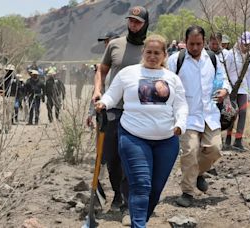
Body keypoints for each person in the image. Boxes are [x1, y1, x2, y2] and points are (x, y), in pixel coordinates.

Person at [95, 34, 188, 228]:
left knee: (154, 190)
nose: (152, 56)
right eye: (149, 52)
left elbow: (181, 106)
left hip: (167, 140)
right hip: (134, 137)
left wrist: (180, 123)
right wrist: (103, 102)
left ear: (164, 55)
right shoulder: (128, 73)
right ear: (143, 52)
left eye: (157, 53)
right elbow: (112, 95)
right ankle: (139, 225)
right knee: (141, 185)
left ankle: (139, 219)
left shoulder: (172, 78)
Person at [92, 6, 149, 215]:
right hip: (113, 109)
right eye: (131, 21)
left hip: (139, 111)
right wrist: (98, 90)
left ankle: (127, 201)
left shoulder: (149, 48)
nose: (133, 25)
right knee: (112, 156)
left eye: (138, 22)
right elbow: (102, 70)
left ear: (145, 24)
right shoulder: (115, 45)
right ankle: (117, 192)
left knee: (131, 156)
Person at [168, 25, 231, 207]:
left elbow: (224, 79)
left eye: (198, 44)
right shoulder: (176, 60)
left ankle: (198, 173)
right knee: (190, 151)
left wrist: (224, 90)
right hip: (186, 115)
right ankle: (187, 192)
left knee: (215, 149)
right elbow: (168, 84)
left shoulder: (212, 59)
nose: (195, 48)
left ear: (204, 43)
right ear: (185, 42)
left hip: (210, 113)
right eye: (191, 44)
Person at [223, 31, 250, 152]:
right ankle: (228, 137)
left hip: (243, 89)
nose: (246, 47)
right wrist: (227, 88)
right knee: (232, 114)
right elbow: (225, 71)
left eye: (249, 45)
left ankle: (238, 140)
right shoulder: (231, 55)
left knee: (243, 113)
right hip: (231, 89)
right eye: (244, 44)